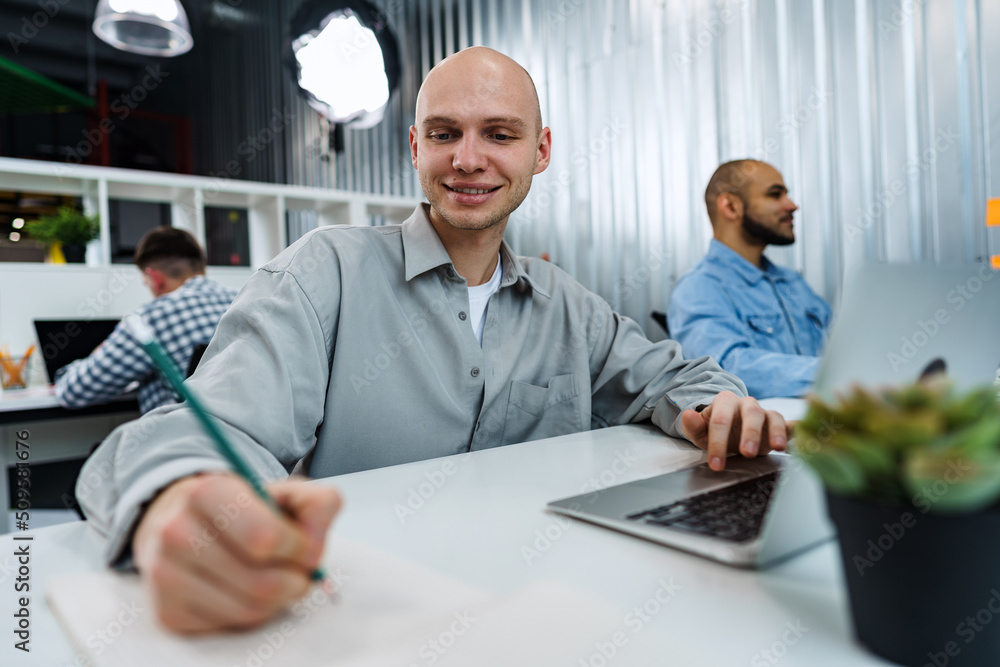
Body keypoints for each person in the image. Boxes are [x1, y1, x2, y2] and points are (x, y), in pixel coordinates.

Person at [78, 48, 790, 634]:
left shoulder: (569, 305)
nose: (469, 159)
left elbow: (674, 377)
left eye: (500, 135)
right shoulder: (324, 270)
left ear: (540, 152)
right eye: (445, 134)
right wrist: (181, 494)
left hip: (545, 617)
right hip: (362, 624)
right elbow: (190, 431)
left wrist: (726, 404)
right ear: (416, 147)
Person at [667, 160, 832, 399]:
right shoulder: (698, 288)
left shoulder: (793, 283)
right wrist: (833, 375)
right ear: (731, 206)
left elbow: (841, 345)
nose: (792, 205)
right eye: (775, 195)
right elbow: (723, 369)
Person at [56, 227, 238, 414]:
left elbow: (74, 393)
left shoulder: (148, 320)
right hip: (252, 437)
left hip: (182, 438)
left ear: (155, 278)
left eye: (146, 283)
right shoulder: (242, 300)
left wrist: (91, 358)